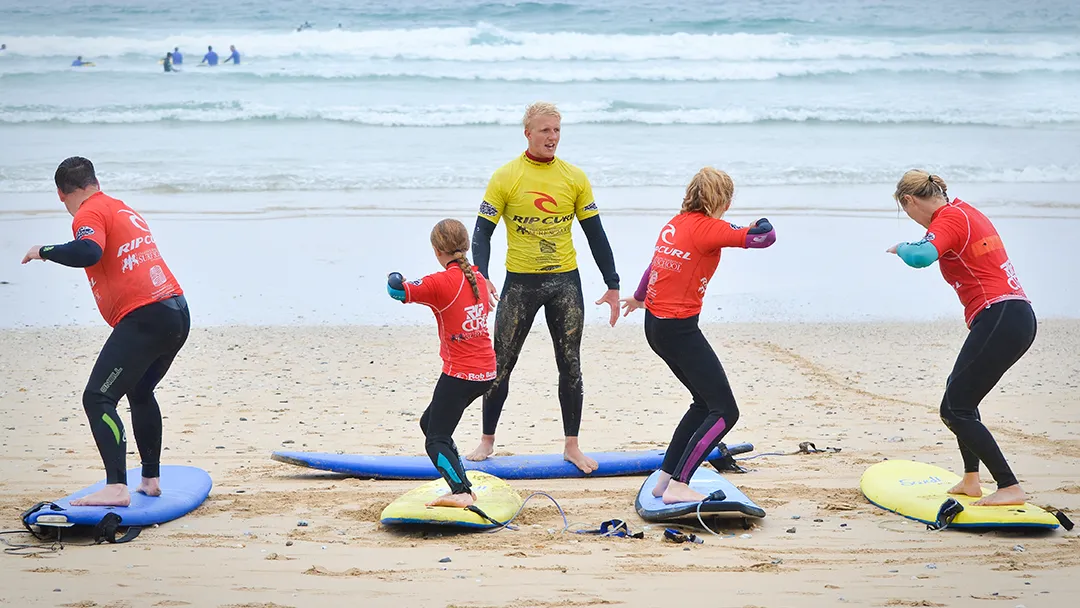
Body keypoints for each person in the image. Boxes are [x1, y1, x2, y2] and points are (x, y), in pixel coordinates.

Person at [20, 157, 190, 507]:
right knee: (140, 391)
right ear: (95, 182)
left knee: (97, 397)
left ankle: (116, 486)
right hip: (176, 311)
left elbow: (88, 250)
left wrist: (43, 251)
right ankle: (150, 480)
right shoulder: (120, 207)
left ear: (60, 194)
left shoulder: (88, 213)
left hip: (146, 316)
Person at [467, 101, 621, 474]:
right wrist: (482, 274)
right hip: (520, 283)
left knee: (570, 364)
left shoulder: (574, 178)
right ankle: (487, 441)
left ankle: (572, 445)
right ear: (528, 133)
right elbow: (482, 232)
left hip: (564, 282)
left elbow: (595, 234)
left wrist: (612, 283)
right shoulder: (506, 177)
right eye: (545, 130)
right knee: (500, 364)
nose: (552, 137)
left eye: (556, 130)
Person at [619, 167, 776, 504]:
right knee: (725, 411)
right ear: (725, 200)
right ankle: (679, 485)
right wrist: (762, 221)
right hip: (679, 329)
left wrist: (638, 296)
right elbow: (765, 237)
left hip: (656, 327)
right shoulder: (710, 228)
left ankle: (664, 480)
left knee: (702, 404)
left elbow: (654, 266)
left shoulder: (675, 224)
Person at [887, 170, 1034, 506]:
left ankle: (1010, 486)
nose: (913, 221)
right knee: (957, 399)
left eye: (906, 212)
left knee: (956, 407)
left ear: (909, 201)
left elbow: (922, 256)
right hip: (1011, 317)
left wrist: (900, 247)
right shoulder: (965, 210)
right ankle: (971, 479)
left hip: (1001, 316)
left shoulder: (949, 217)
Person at [386, 219, 496, 508]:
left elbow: (398, 291)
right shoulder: (480, 280)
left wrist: (393, 275)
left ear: (437, 250)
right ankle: (463, 483)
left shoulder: (441, 282)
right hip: (486, 370)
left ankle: (460, 491)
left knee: (435, 438)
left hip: (461, 373)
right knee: (430, 423)